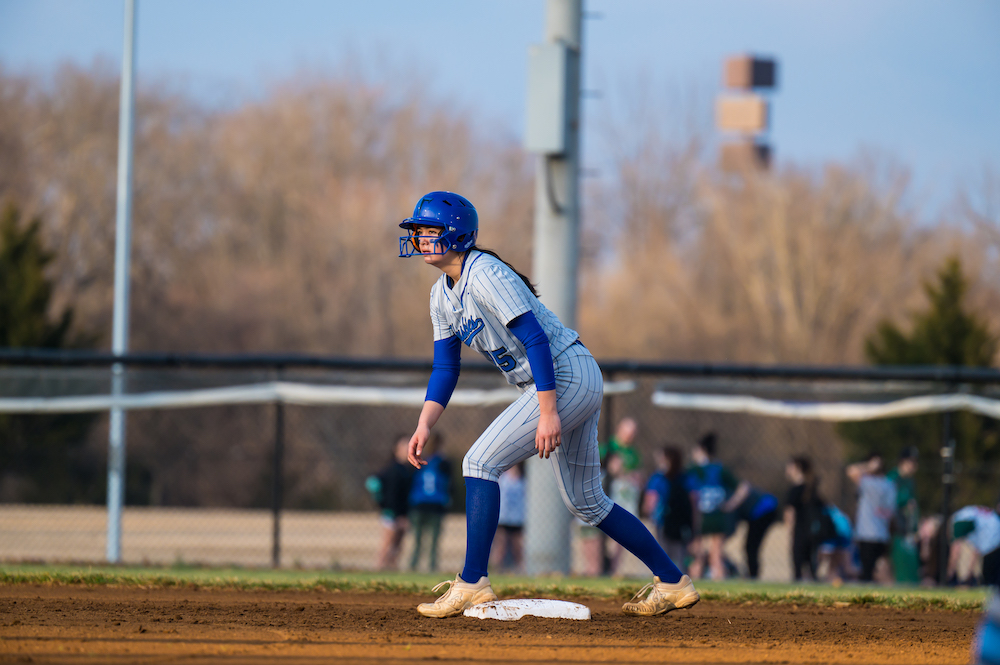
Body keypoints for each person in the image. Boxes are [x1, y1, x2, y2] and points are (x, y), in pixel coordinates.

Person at [399, 191, 699, 618]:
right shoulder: (440, 296)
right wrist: (425, 423)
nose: (421, 238)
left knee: (479, 462)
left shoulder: (484, 273)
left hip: (564, 374)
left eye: (430, 230)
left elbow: (536, 339)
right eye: (418, 231)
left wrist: (547, 411)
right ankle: (673, 582)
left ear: (457, 234)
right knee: (587, 502)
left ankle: (472, 582)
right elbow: (446, 367)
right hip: (563, 378)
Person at [686, 433, 739, 581]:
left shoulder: (694, 470)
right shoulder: (719, 468)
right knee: (716, 556)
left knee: (697, 554)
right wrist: (730, 505)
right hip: (717, 516)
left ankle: (691, 587)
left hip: (700, 517)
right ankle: (721, 587)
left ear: (701, 450)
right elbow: (743, 488)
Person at [847, 453, 897, 583]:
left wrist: (868, 467)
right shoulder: (889, 484)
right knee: (880, 570)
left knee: (867, 572)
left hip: (867, 533)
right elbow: (891, 511)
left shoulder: (867, 482)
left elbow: (851, 470)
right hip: (881, 533)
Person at [367, 435, 414, 571]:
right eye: (404, 447)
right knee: (388, 543)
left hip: (401, 512)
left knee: (397, 546)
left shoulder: (407, 470)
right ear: (396, 449)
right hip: (391, 512)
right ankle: (379, 567)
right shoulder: (392, 470)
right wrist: (391, 510)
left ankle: (391, 568)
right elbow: (383, 490)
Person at [408, 432, 452, 572]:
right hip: (434, 505)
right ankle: (429, 567)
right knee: (430, 540)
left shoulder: (419, 460)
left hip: (421, 505)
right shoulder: (443, 463)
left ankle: (415, 566)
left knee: (419, 540)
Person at [722, 477, 779, 580]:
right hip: (764, 509)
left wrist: (721, 542)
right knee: (750, 547)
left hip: (764, 510)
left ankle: (753, 576)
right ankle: (752, 574)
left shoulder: (728, 500)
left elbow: (731, 526)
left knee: (751, 546)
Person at [784, 456, 827, 582]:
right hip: (813, 530)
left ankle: (798, 583)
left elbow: (790, 512)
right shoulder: (812, 488)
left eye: (790, 467)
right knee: (811, 563)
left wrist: (789, 529)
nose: (787, 470)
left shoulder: (795, 490)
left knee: (798, 562)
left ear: (797, 468)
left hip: (800, 529)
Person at [887, 446, 921, 584]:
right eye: (910, 462)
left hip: (907, 529)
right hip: (895, 529)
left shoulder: (910, 481)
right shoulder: (892, 478)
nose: (913, 466)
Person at [492, 462, 525, 572]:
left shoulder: (523, 479)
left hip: (518, 518)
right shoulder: (502, 478)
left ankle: (519, 569)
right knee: (501, 546)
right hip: (504, 518)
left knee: (518, 547)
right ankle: (497, 569)